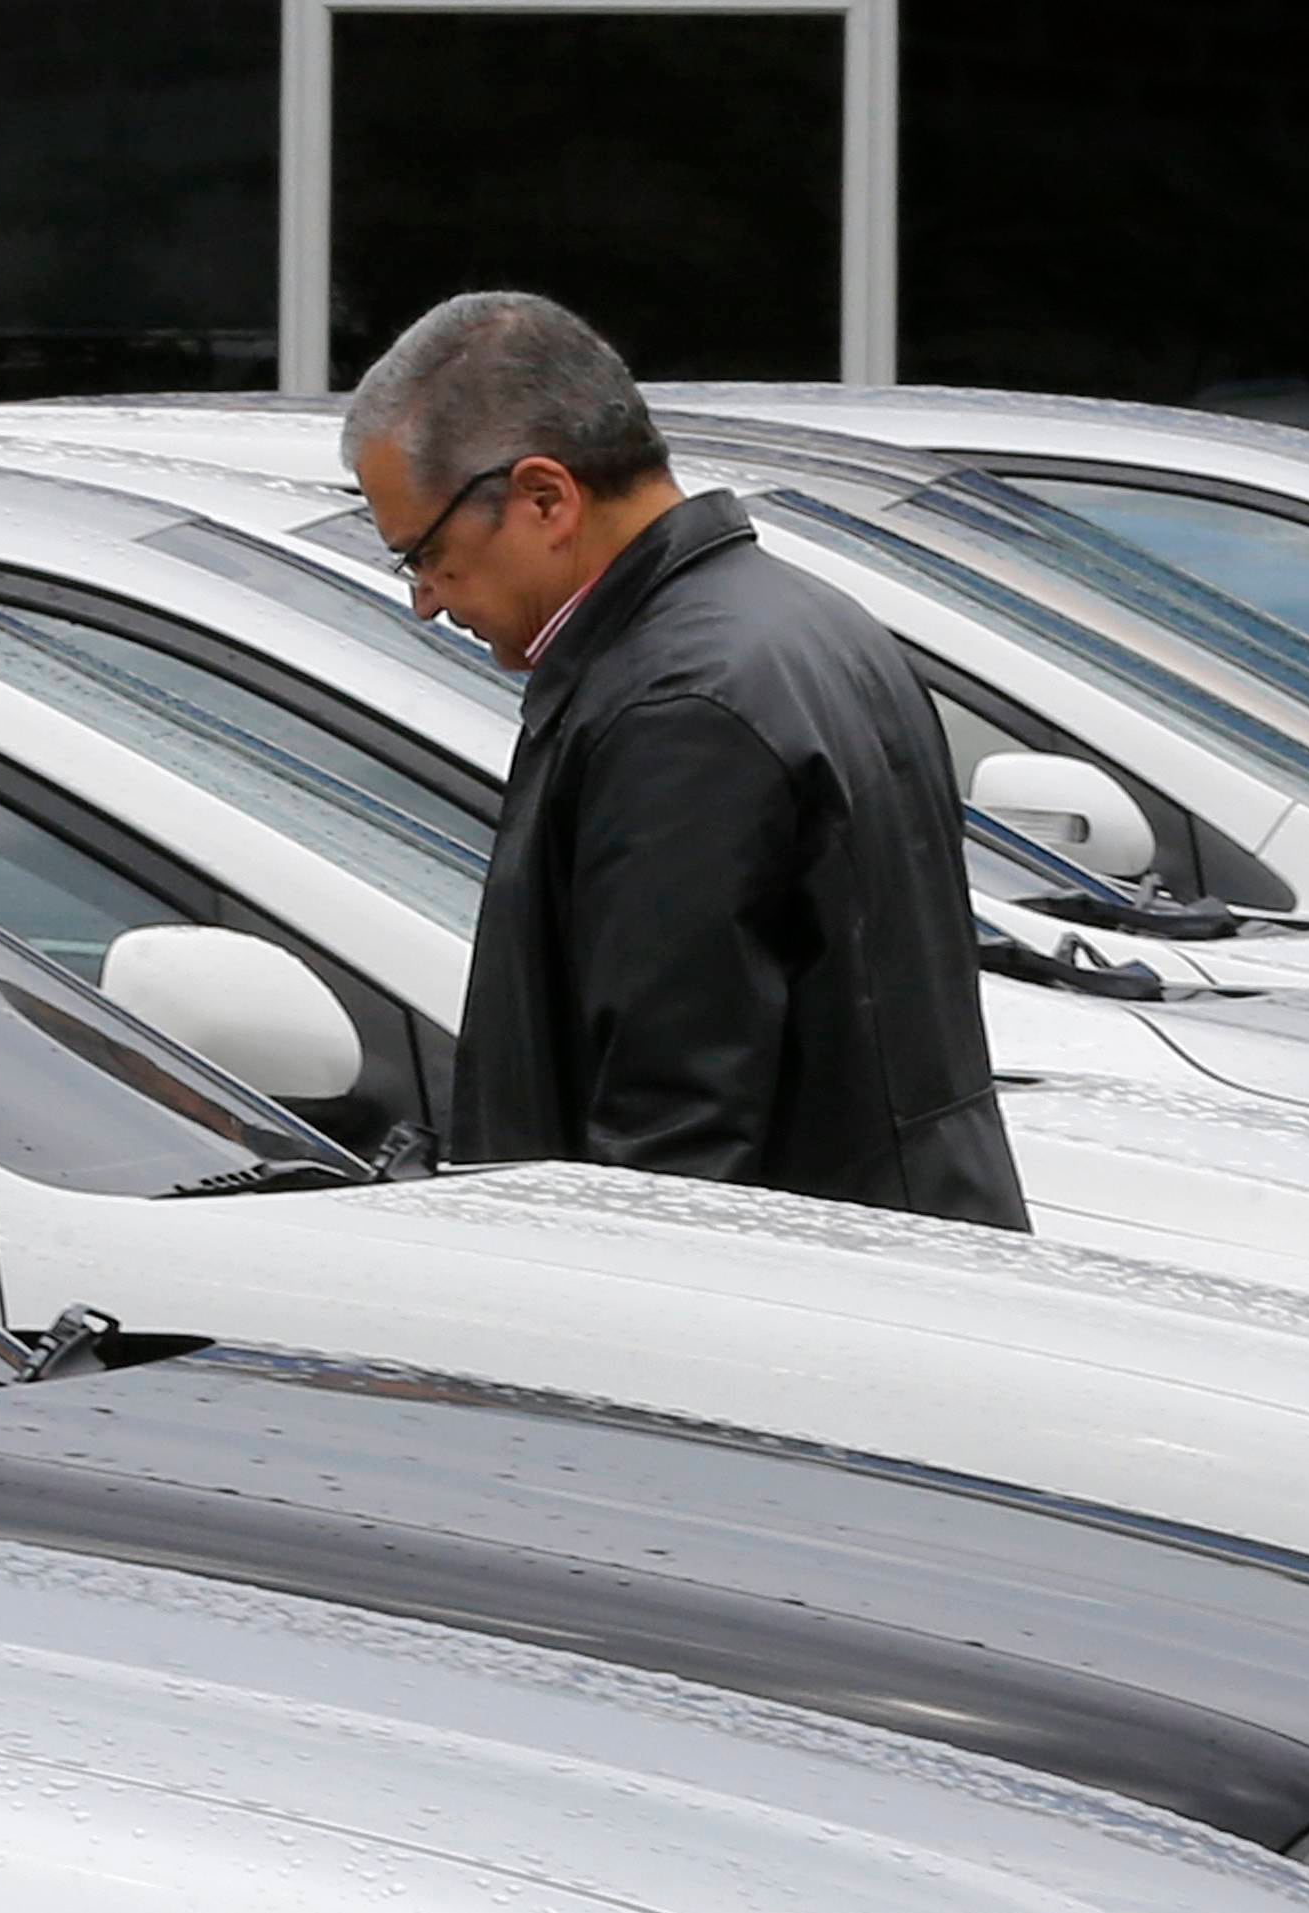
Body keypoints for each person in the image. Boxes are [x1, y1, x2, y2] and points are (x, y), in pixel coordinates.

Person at [338, 289, 1026, 1230]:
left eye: (423, 554)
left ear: (545, 498)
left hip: (788, 1289)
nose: (424, 599)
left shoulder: (676, 706)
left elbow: (670, 1140)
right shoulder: (793, 622)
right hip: (887, 1250)